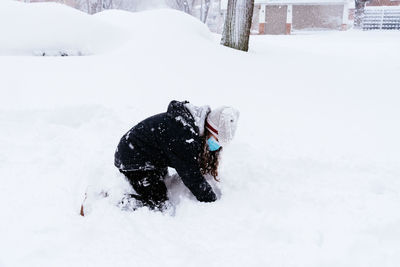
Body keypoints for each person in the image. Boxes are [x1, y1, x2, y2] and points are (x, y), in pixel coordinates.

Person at [114, 100, 239, 211]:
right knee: (160, 204)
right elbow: (191, 176)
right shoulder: (183, 134)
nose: (216, 146)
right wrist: (212, 202)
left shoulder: (195, 126)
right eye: (216, 140)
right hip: (132, 158)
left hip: (149, 155)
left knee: (162, 180)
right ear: (210, 128)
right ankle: (120, 199)